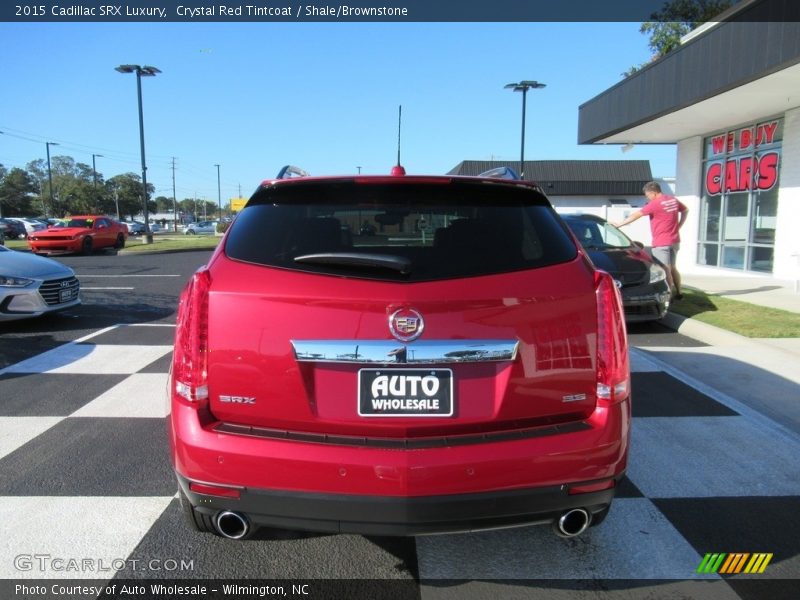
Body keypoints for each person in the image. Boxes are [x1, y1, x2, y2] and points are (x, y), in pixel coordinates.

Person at [613, 182, 688, 299]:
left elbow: (636, 215)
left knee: (665, 269)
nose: (647, 198)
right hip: (675, 240)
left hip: (661, 242)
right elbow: (685, 210)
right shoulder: (672, 200)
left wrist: (620, 224)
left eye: (647, 195)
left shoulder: (655, 203)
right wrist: (679, 226)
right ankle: (679, 292)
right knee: (673, 267)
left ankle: (668, 297)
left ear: (653, 193)